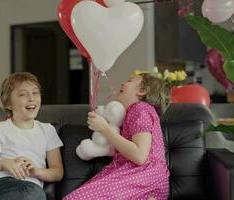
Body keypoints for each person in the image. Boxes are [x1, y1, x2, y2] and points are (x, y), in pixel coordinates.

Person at [63, 72, 170, 200]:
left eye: (130, 80)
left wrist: (104, 128)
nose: (123, 83)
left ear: (141, 91)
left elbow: (140, 156)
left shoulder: (140, 109)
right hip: (147, 180)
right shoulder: (132, 113)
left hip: (145, 175)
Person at [0, 72, 64, 200]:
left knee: (32, 194)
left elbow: (57, 172)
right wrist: (3, 164)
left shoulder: (48, 130)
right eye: (23, 94)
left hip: (31, 186)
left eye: (35, 93)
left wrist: (36, 171)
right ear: (8, 104)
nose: (31, 98)